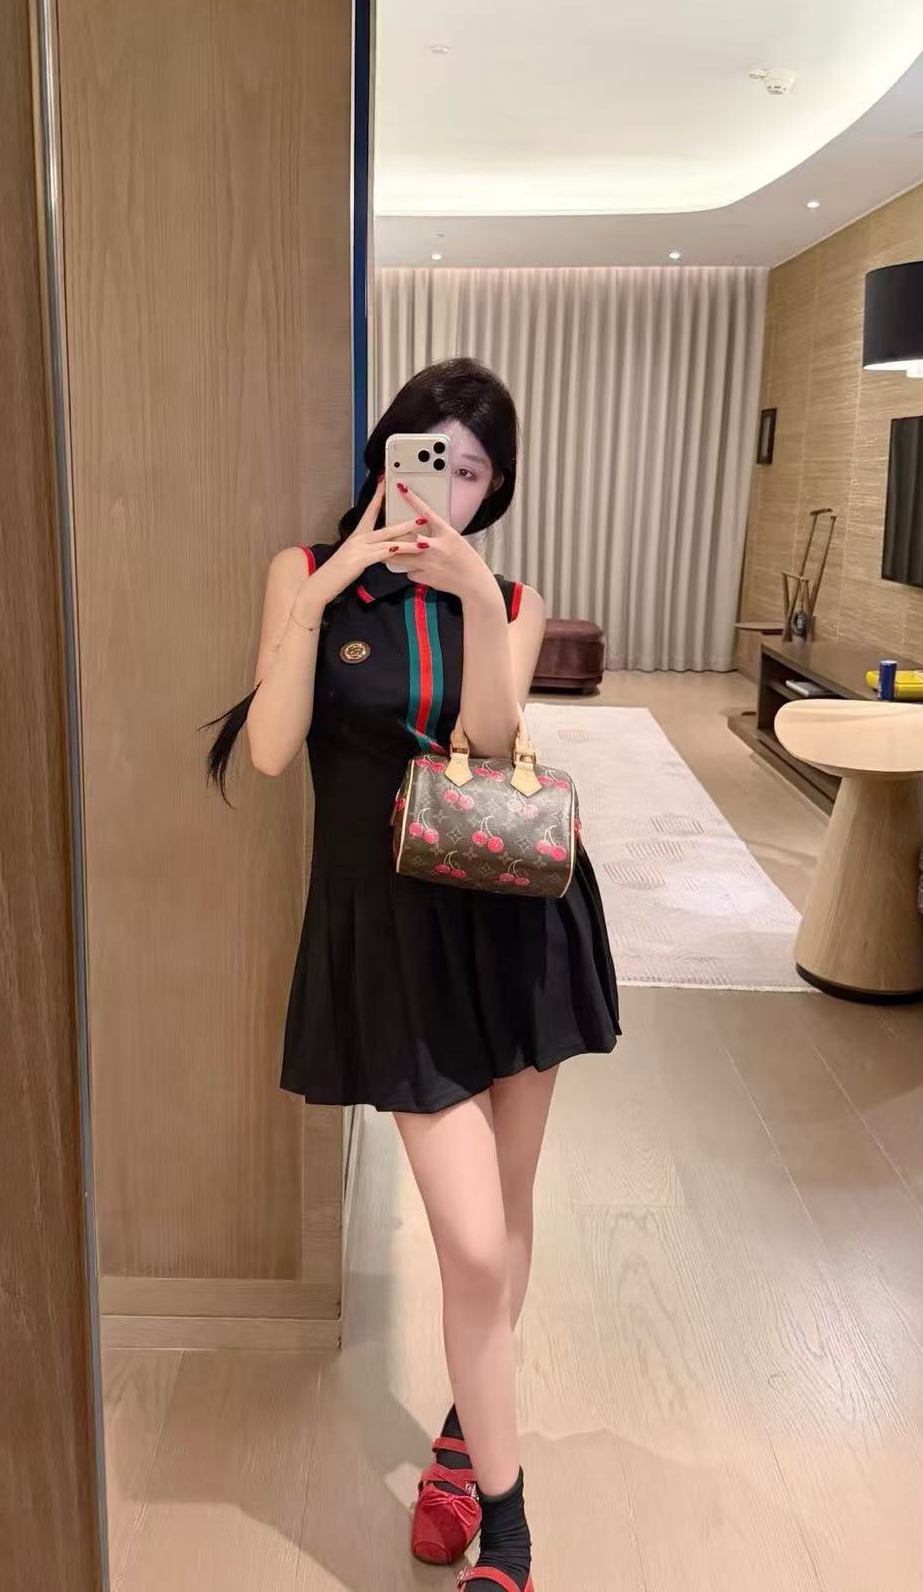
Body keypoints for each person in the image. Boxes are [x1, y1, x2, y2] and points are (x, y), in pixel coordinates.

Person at [206, 358, 619, 1592]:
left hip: (514, 921)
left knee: (507, 1207)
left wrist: (478, 600)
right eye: (430, 454)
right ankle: (510, 1515)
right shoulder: (303, 572)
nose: (448, 486)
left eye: (474, 470)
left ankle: (461, 1449)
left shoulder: (511, 598)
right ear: (389, 453)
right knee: (475, 1247)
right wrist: (333, 580)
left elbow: (490, 737)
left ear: (494, 490)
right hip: (390, 939)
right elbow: (270, 749)